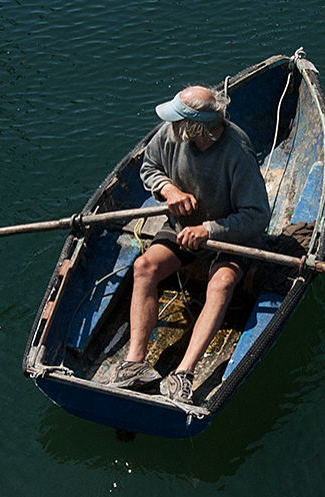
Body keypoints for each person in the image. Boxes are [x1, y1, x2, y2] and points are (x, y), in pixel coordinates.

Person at [107, 85, 271, 404]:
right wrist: (169, 191)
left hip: (231, 239)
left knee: (222, 284)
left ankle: (183, 373)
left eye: (178, 120)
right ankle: (134, 364)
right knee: (144, 268)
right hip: (182, 230)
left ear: (196, 127)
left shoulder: (238, 152)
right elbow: (149, 168)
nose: (171, 125)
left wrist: (208, 230)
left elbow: (257, 215)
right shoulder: (172, 133)